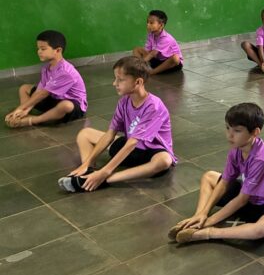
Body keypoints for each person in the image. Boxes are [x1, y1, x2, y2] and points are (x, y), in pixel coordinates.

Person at [168, 102, 264, 243]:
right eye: (228, 128)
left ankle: (210, 233)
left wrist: (209, 222)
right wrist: (203, 213)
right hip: (248, 194)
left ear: (255, 132)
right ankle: (197, 218)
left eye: (237, 131)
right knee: (209, 176)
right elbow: (224, 182)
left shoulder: (263, 159)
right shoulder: (236, 150)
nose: (230, 135)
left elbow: (242, 200)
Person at [57, 56, 175, 192]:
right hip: (129, 147)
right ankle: (88, 171)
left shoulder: (153, 106)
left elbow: (133, 143)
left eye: (120, 80)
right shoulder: (124, 101)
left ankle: (104, 179)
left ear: (138, 82)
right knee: (85, 134)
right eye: (115, 79)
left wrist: (106, 171)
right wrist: (87, 162)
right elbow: (110, 134)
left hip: (150, 152)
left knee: (165, 161)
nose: (115, 83)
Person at [4, 30, 87, 128]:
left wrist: (19, 108)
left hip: (73, 106)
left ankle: (34, 120)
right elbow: (39, 91)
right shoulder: (46, 68)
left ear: (58, 50)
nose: (39, 51)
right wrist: (24, 109)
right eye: (38, 48)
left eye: (43, 49)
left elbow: (43, 94)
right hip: (55, 99)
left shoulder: (65, 72)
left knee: (66, 105)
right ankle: (23, 114)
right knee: (24, 88)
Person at [133, 10, 183, 74]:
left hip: (170, 65)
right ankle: (140, 69)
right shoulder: (150, 34)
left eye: (151, 23)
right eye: (147, 22)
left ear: (161, 25)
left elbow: (153, 53)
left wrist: (141, 62)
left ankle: (152, 72)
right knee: (137, 49)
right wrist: (141, 61)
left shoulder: (166, 38)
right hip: (158, 61)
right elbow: (148, 51)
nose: (148, 25)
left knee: (175, 58)